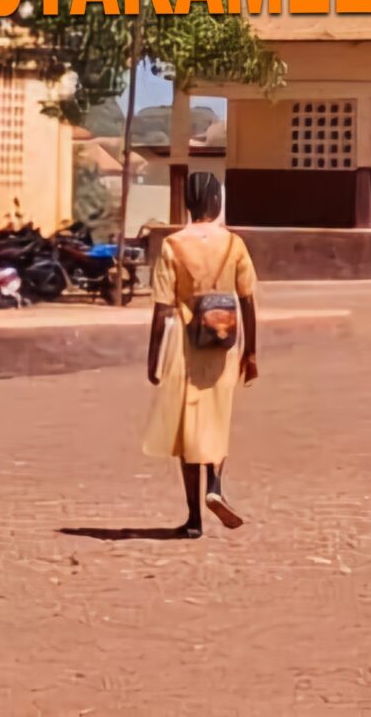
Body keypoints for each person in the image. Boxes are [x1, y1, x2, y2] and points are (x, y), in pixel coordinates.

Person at [142, 171, 258, 537]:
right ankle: (216, 485)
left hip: (184, 344)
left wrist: (153, 357)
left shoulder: (173, 245)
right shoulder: (233, 244)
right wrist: (250, 351)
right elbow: (248, 299)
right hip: (224, 340)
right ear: (216, 202)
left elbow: (162, 308)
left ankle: (193, 520)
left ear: (189, 204)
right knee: (217, 419)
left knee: (187, 430)